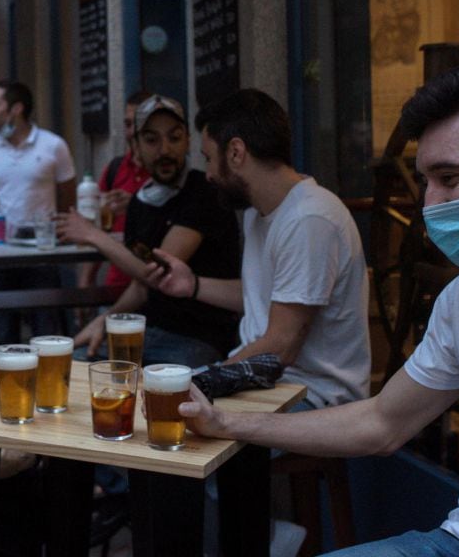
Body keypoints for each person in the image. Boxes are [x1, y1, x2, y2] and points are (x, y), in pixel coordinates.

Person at [177, 59, 459, 556]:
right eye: (425, 181)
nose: (429, 203)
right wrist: (228, 425)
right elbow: (382, 422)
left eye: (449, 178)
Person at [153, 88, 370, 408]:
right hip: (267, 382)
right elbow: (264, 295)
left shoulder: (309, 219)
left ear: (236, 152)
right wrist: (193, 285)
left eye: (209, 158)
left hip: (312, 396)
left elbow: (281, 347)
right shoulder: (259, 211)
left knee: (169, 418)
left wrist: (201, 382)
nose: (209, 174)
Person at [58, 94, 241, 366]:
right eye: (152, 140)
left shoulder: (203, 191)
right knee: (73, 366)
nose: (165, 150)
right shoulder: (141, 201)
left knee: (158, 390)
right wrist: (106, 319)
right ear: (136, 148)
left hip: (198, 338)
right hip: (144, 332)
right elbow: (142, 286)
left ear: (188, 142)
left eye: (175, 138)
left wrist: (93, 235)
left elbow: (158, 271)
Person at [0, 80, 77, 344]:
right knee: (4, 333)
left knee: (46, 332)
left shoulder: (53, 145)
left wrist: (51, 230)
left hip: (41, 254)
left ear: (16, 109)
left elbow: (67, 197)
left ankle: (48, 385)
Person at [76, 90, 152, 293]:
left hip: (153, 287)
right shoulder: (115, 168)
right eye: (128, 124)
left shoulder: (168, 174)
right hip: (117, 283)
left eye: (140, 123)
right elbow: (98, 228)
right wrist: (86, 279)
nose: (133, 131)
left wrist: (135, 205)